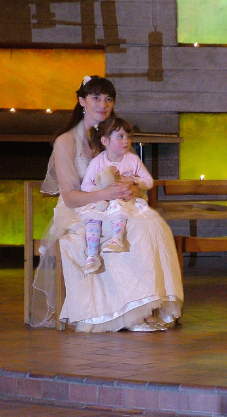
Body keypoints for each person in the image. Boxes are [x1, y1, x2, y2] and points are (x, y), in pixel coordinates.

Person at [31, 75, 183, 332]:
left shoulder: (116, 136)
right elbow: (69, 196)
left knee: (152, 225)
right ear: (82, 101)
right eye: (96, 97)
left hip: (116, 204)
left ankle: (147, 306)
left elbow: (135, 174)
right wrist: (107, 194)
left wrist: (129, 187)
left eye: (109, 98)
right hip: (79, 209)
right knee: (125, 230)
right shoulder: (66, 141)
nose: (103, 104)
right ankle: (128, 314)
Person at [77, 117, 154, 275]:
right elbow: (85, 185)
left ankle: (116, 239)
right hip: (104, 201)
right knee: (93, 217)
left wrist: (133, 180)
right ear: (105, 140)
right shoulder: (97, 162)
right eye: (120, 136)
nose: (126, 141)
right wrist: (102, 191)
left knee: (118, 206)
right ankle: (92, 255)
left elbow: (149, 182)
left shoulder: (132, 160)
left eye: (128, 136)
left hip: (125, 200)